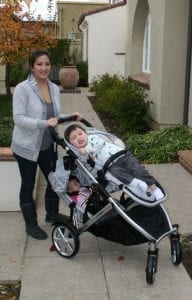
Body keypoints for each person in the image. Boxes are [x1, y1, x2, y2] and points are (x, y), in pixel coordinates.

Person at [11, 49, 81, 240]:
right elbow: (18, 119)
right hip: (26, 147)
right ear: (32, 66)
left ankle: (51, 214)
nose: (44, 68)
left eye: (47, 64)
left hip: (47, 145)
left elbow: (54, 118)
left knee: (54, 180)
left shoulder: (54, 88)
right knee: (28, 184)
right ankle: (31, 225)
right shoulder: (22, 89)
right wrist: (43, 123)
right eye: (39, 64)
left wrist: (69, 117)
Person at [64, 124, 164, 201]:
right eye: (74, 138)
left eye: (80, 134)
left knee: (138, 170)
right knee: (119, 175)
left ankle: (154, 188)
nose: (78, 138)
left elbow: (100, 143)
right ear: (72, 145)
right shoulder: (83, 154)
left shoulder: (92, 138)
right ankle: (136, 184)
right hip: (111, 165)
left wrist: (86, 149)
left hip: (122, 156)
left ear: (86, 133)